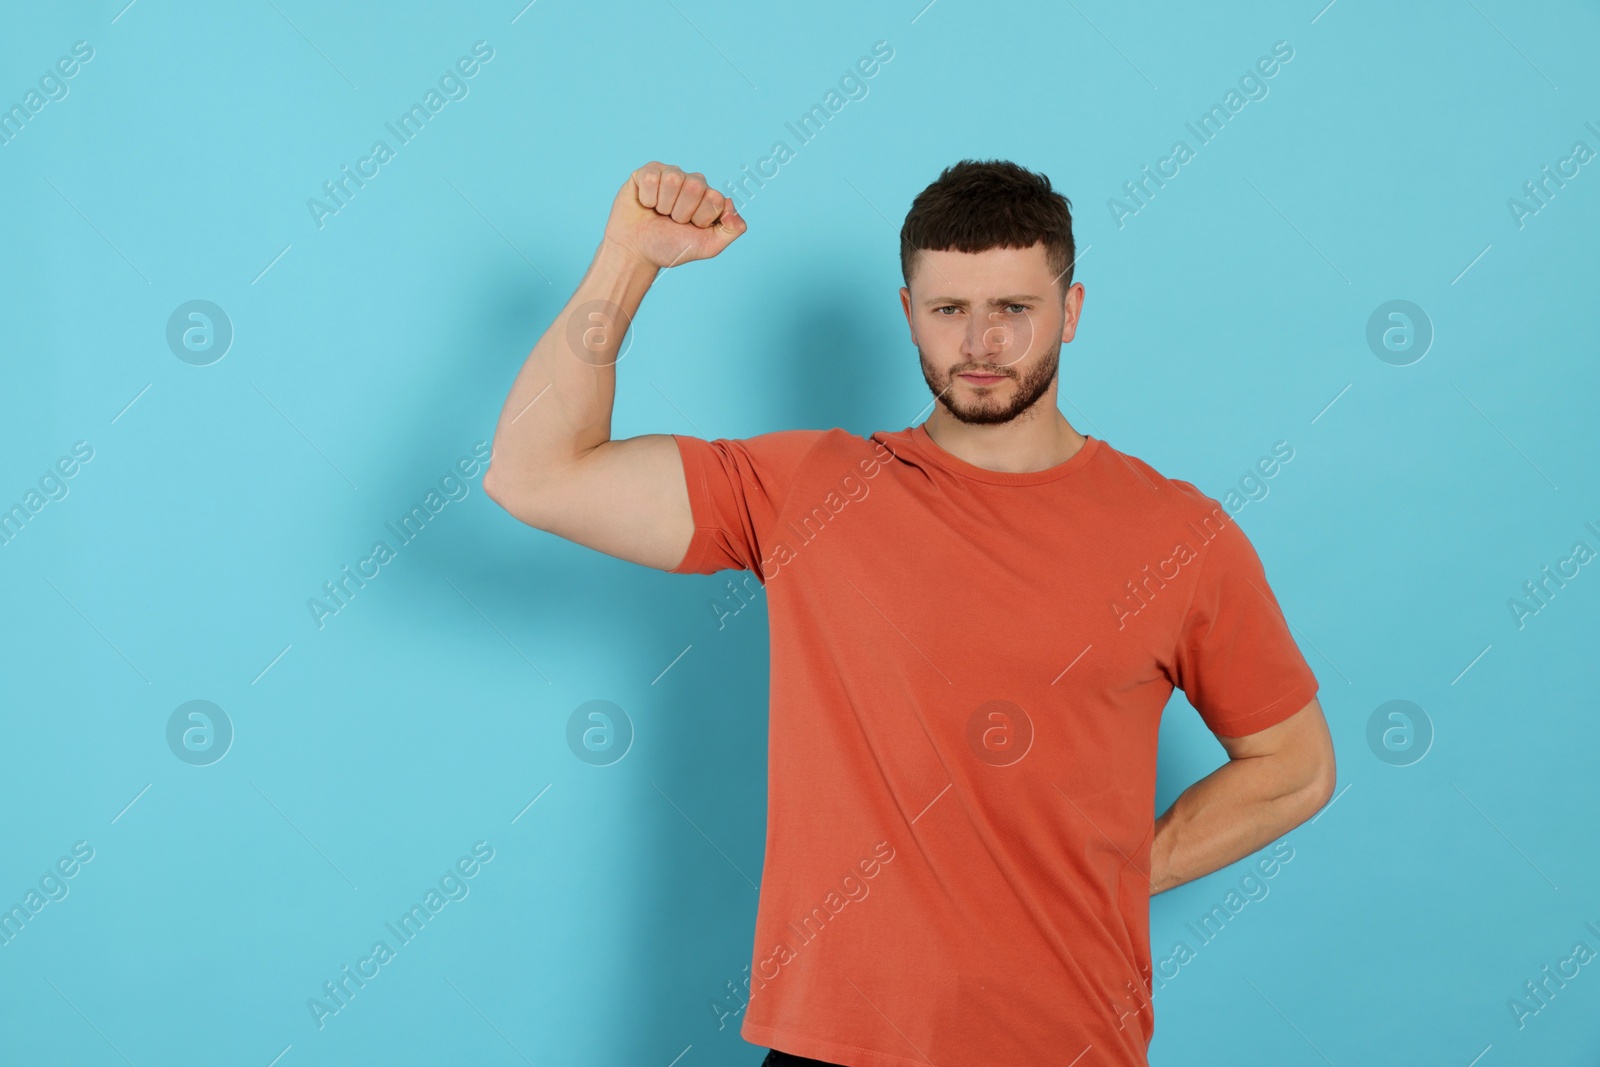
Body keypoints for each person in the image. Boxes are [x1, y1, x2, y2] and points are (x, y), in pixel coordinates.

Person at [483, 159, 1337, 1066]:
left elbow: (1294, 766)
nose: (981, 342)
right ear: (908, 316)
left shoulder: (1179, 535)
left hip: (1064, 1043)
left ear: (1072, 310)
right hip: (831, 1045)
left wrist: (1123, 868)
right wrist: (628, 258)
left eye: (1014, 308)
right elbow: (535, 474)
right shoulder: (807, 488)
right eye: (948, 310)